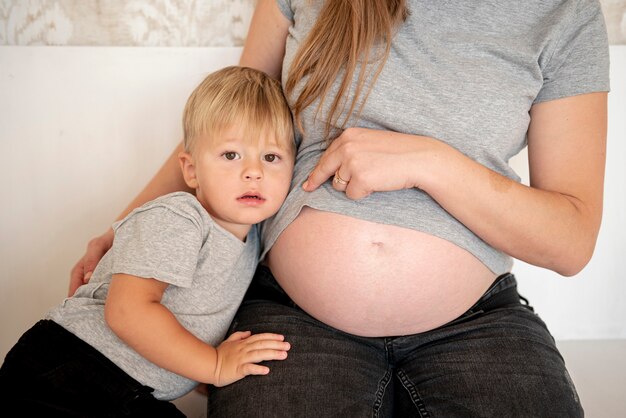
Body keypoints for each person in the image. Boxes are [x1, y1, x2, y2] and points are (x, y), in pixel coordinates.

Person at [69, 0, 610, 416]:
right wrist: (127, 226)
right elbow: (228, 127)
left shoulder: (564, 12)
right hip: (290, 319)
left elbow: (571, 239)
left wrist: (431, 162)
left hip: (476, 323)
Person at [0, 65, 295, 416]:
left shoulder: (254, 241)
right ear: (191, 170)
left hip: (133, 390)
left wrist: (194, 368)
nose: (253, 171)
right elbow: (127, 311)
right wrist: (213, 365)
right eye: (231, 155)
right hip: (72, 369)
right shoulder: (179, 219)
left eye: (271, 157)